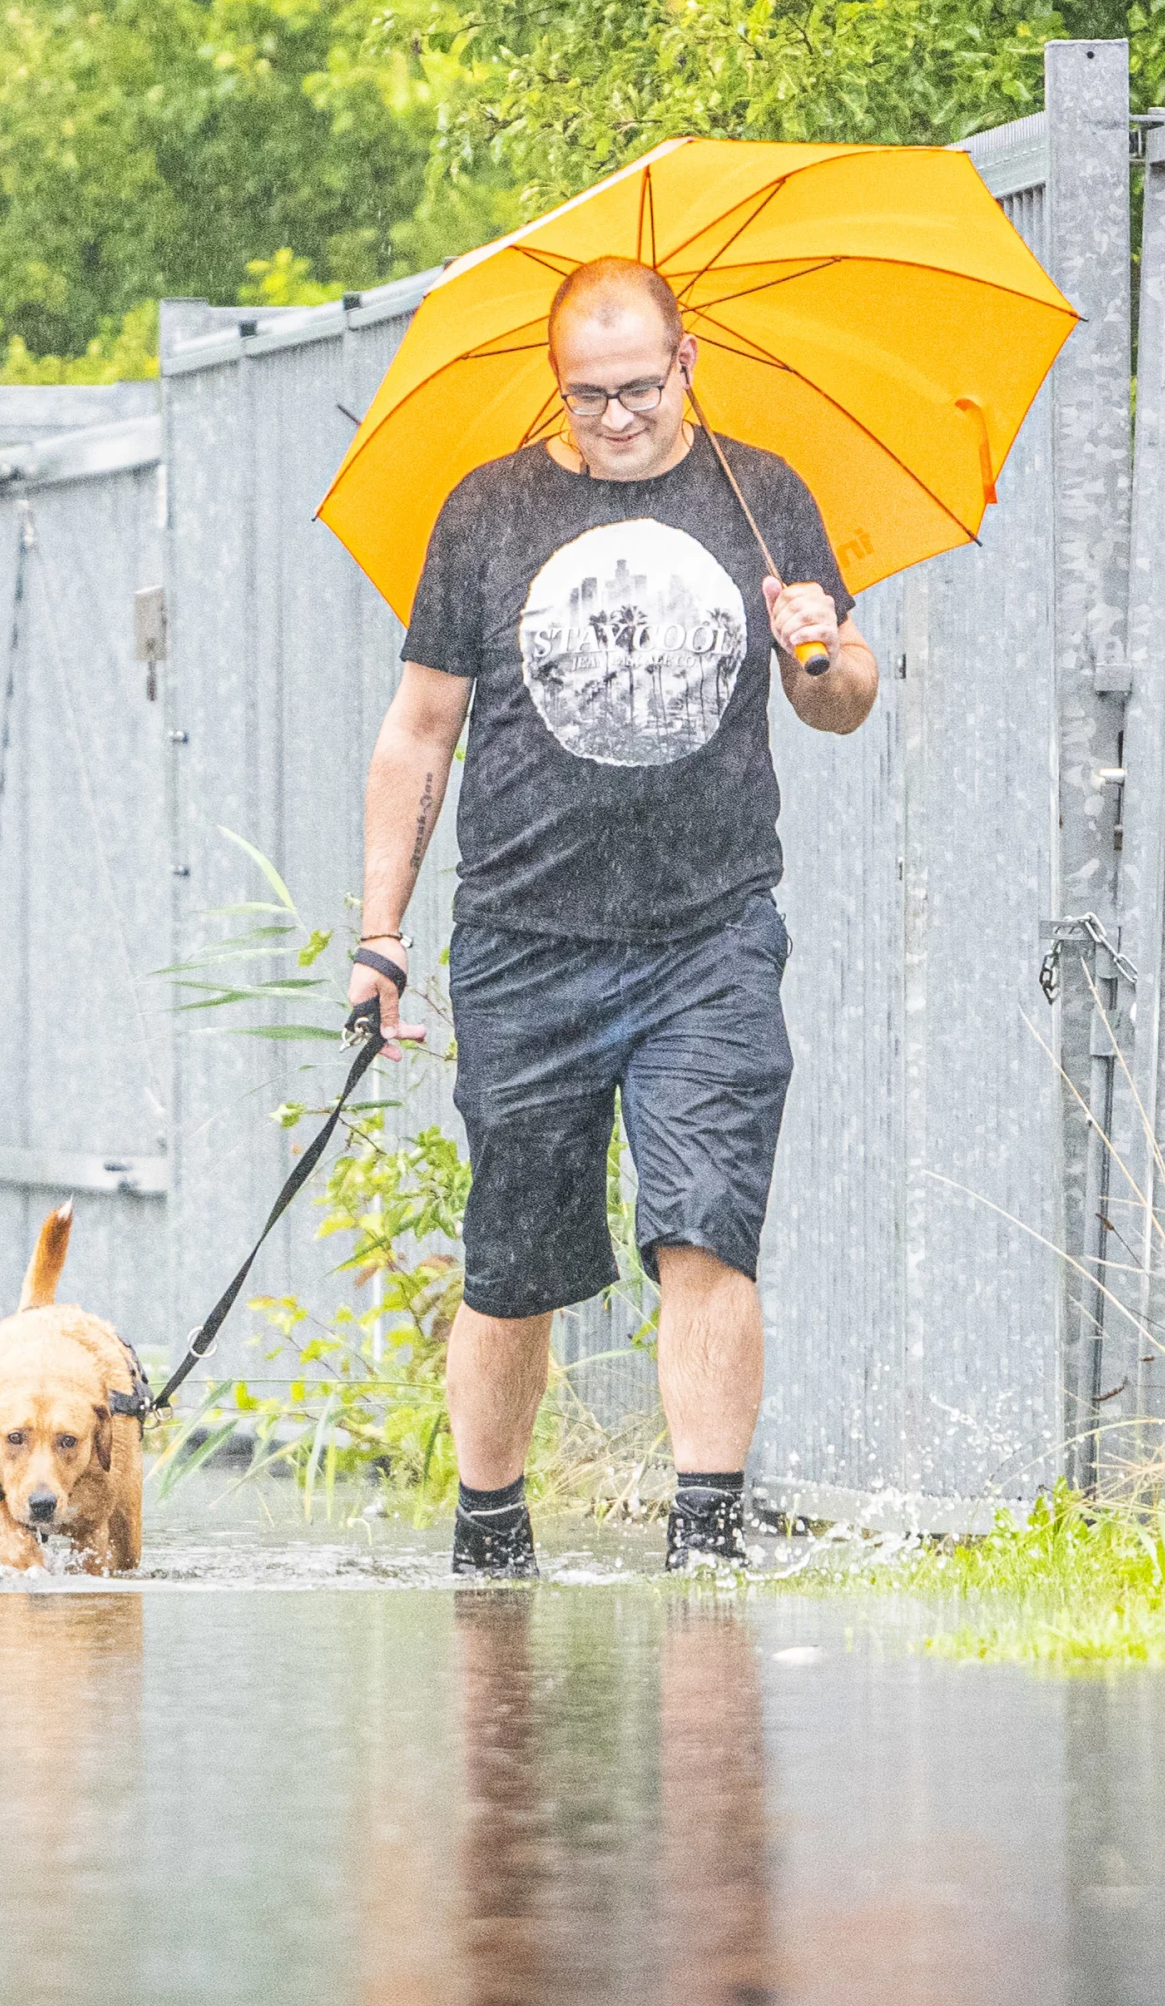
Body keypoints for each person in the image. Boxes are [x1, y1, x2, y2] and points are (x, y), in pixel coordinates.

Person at [343, 257, 876, 1575]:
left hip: (710, 937)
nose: (618, 416)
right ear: (557, 386)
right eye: (589, 395)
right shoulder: (488, 513)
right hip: (527, 940)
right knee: (516, 1256)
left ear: (688, 364)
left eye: (640, 387)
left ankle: (706, 1533)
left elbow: (843, 702)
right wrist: (381, 934)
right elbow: (419, 734)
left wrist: (823, 642)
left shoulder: (761, 504)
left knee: (706, 1219)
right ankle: (490, 1535)